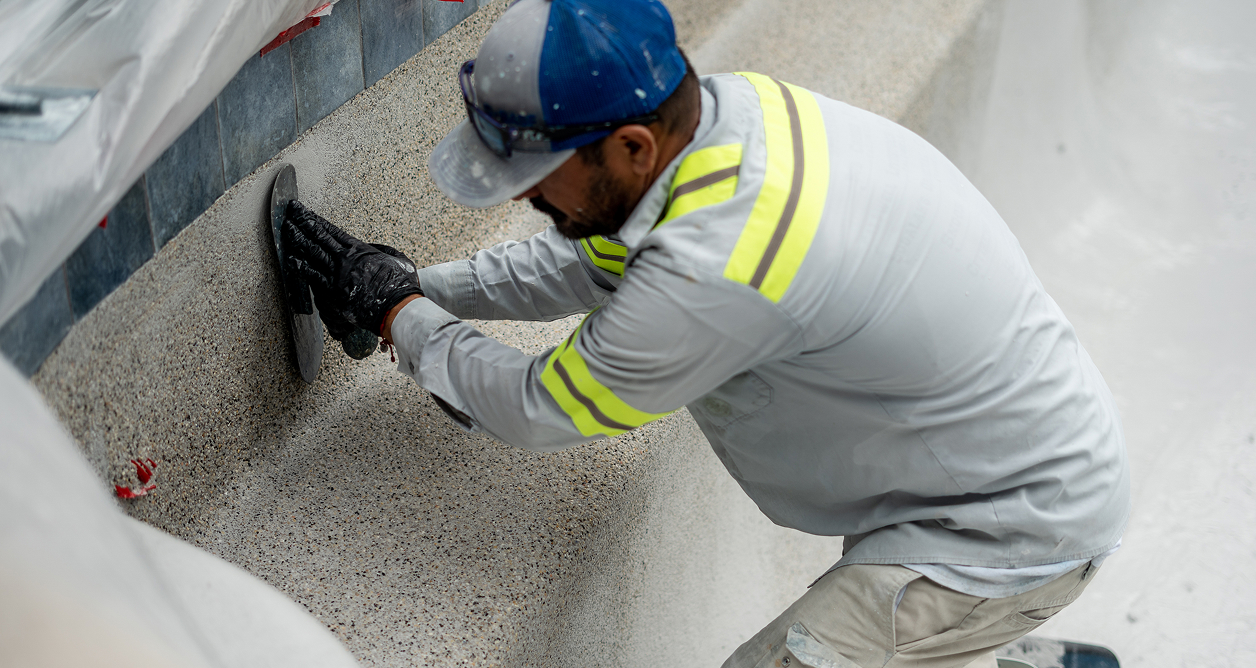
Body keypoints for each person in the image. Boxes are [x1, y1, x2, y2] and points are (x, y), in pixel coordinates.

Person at [283, 0, 1130, 665]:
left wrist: (398, 314)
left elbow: (541, 408)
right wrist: (420, 285)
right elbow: (584, 262)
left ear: (631, 146)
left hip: (1002, 534)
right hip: (1001, 463)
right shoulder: (723, 123)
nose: (523, 198)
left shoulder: (724, 262)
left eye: (537, 176)